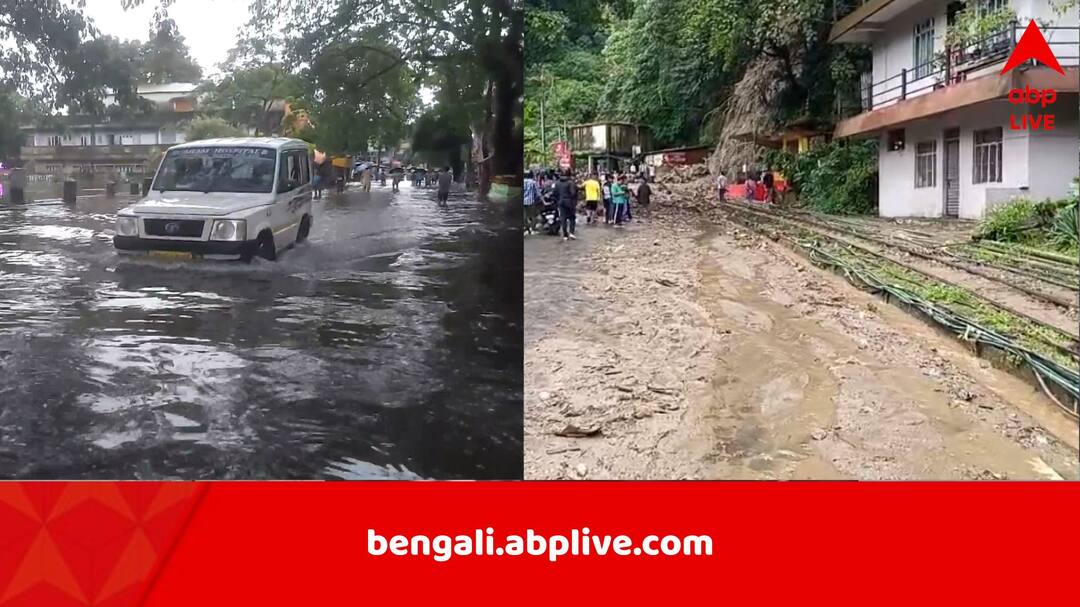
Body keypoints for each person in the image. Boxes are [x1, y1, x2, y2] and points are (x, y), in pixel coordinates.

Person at [554, 170, 577, 241]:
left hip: (561, 202)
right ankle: (571, 233)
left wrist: (558, 200)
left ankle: (565, 235)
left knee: (563, 218)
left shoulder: (557, 183)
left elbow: (555, 193)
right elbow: (573, 193)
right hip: (570, 202)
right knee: (572, 218)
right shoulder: (571, 183)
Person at [523, 171, 540, 235]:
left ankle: (527, 228)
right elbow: (538, 193)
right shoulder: (533, 182)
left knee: (524, 216)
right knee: (533, 216)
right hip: (531, 201)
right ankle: (532, 229)